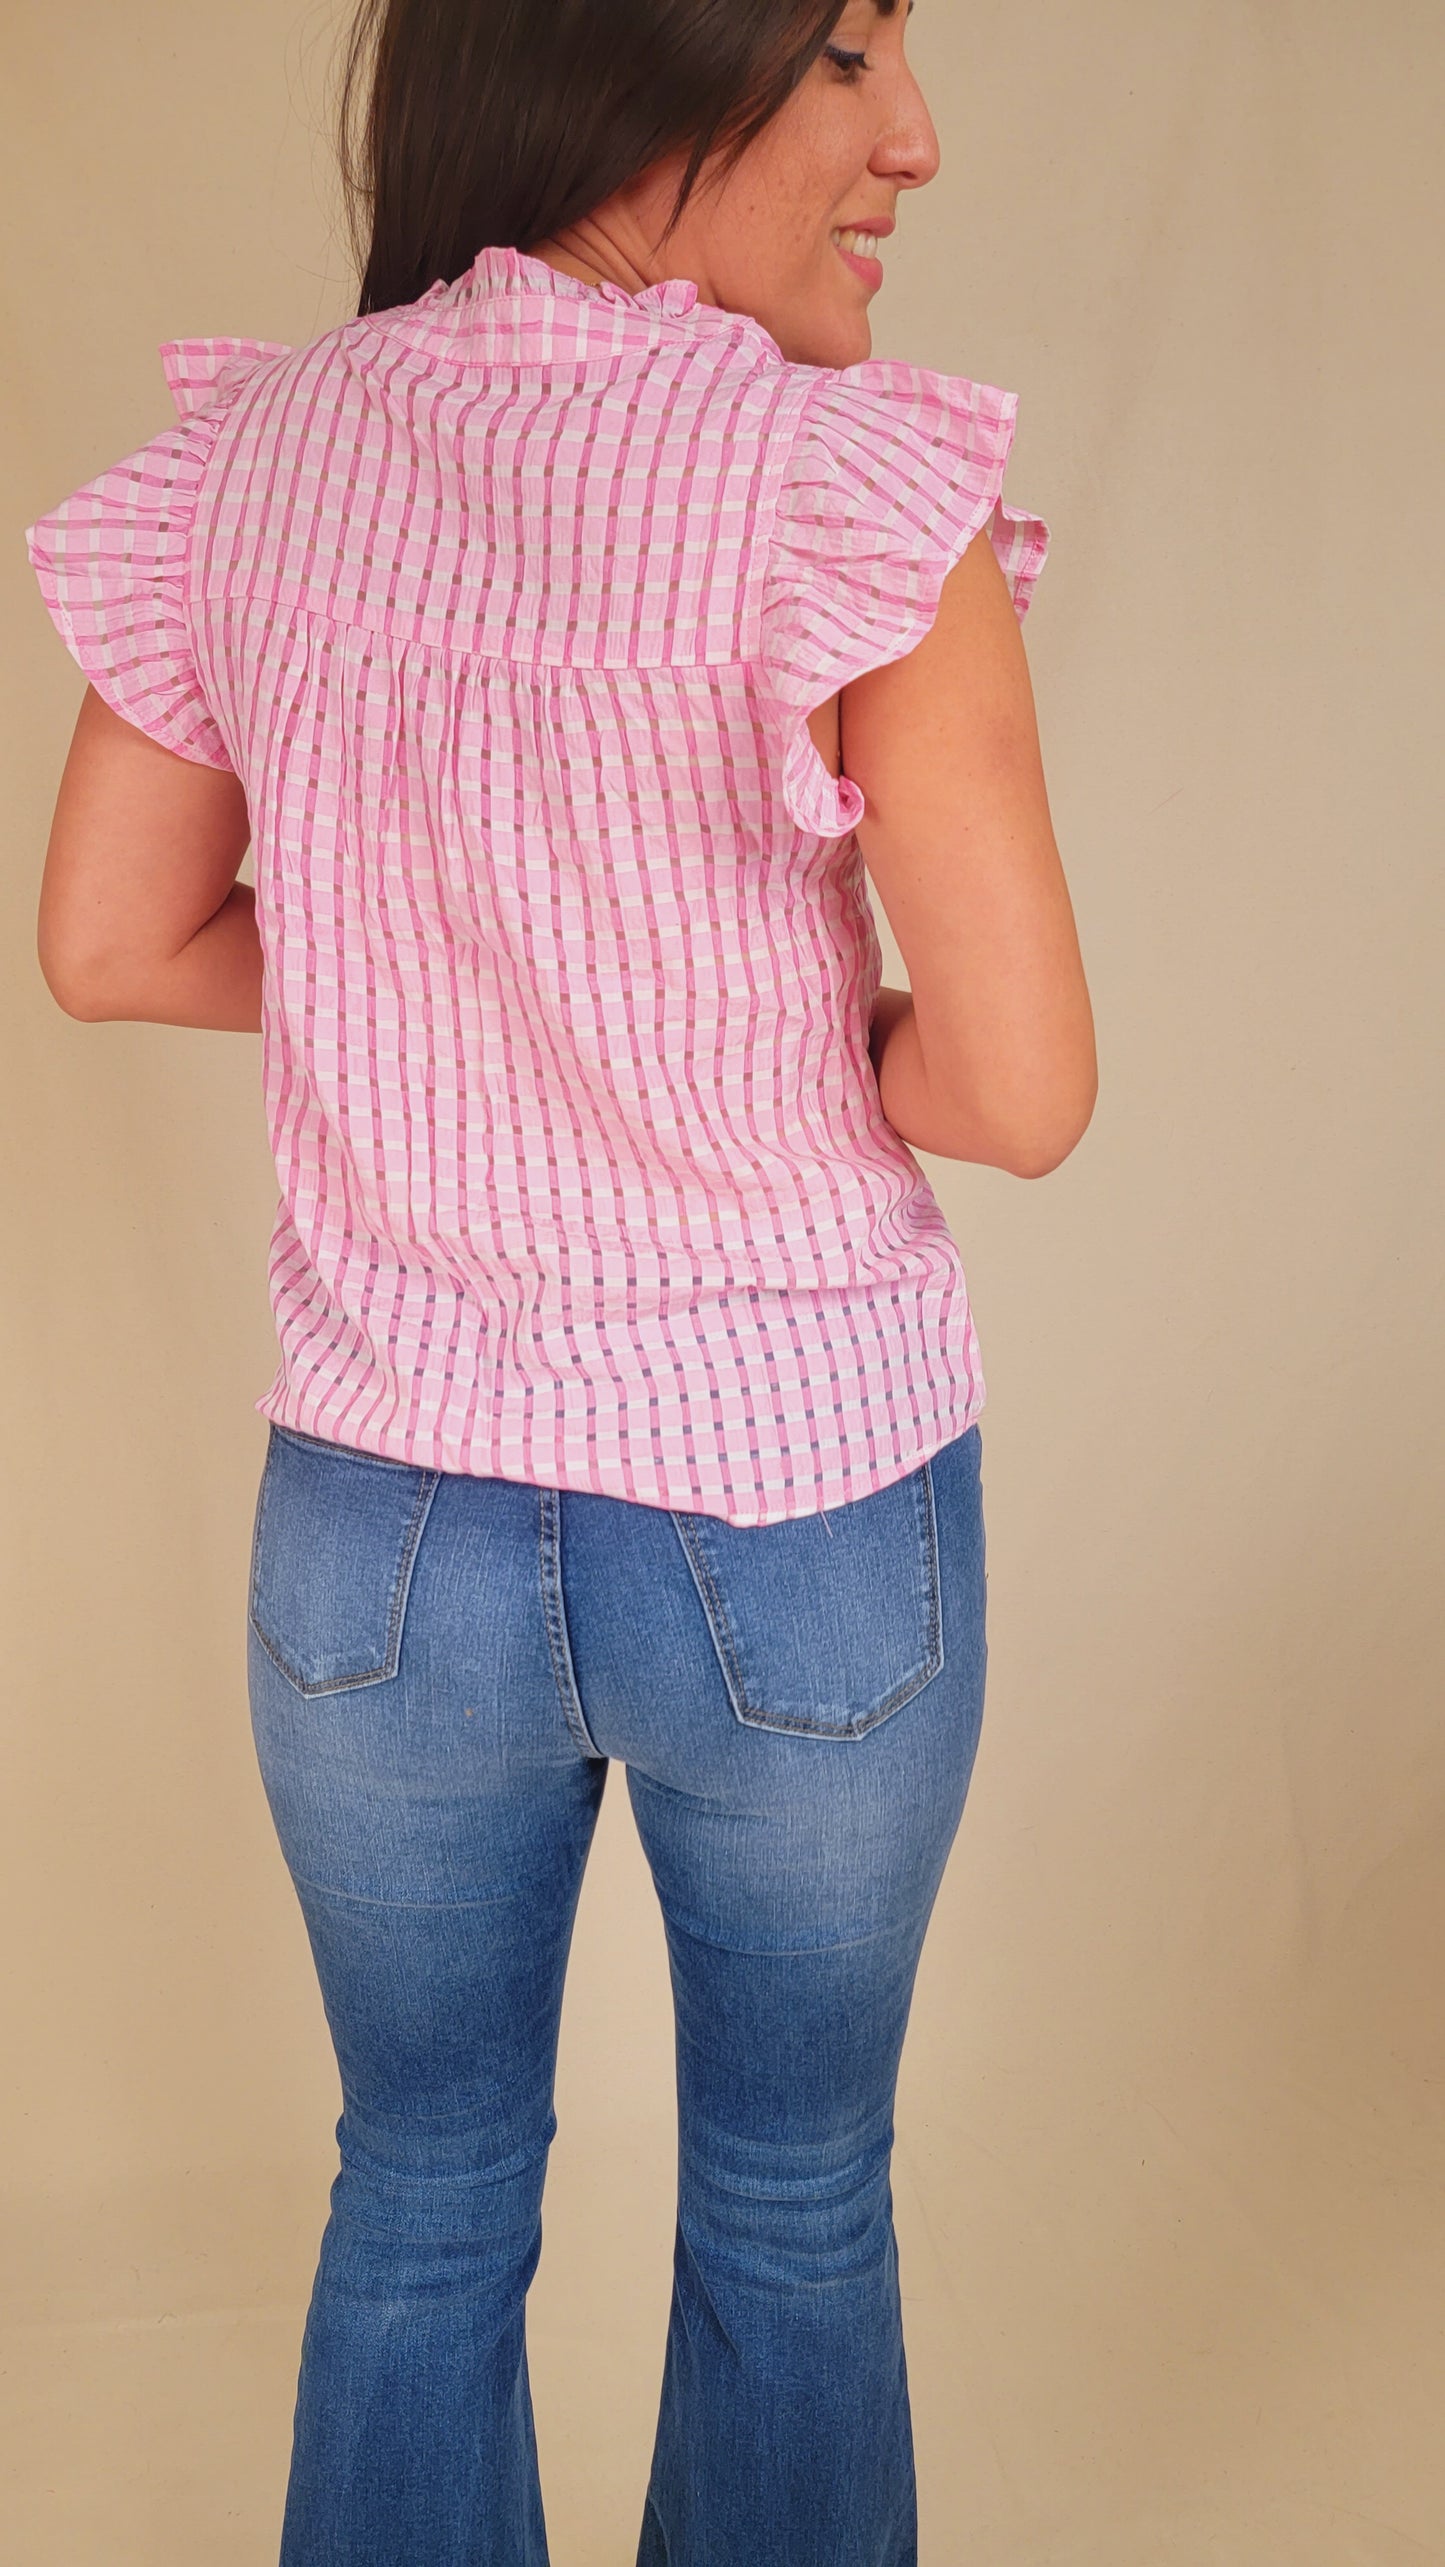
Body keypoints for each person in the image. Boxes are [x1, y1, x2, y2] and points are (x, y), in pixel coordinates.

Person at [23, 0, 1096, 2555]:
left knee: (414, 2198)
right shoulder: (846, 485)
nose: (912, 138)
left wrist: (423, 964)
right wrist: (810, 1020)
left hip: (377, 1536)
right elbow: (1022, 1092)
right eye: (848, 57)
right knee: (796, 2203)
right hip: (795, 1514)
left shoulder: (263, 455)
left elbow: (104, 940)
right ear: (645, 63)